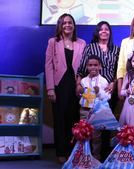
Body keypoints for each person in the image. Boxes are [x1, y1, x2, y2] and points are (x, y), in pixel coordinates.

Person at [45, 13, 86, 163]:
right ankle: (61, 152)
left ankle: (72, 152)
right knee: (59, 119)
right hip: (59, 85)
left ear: (74, 25)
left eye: (70, 22)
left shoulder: (82, 43)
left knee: (73, 119)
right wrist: (50, 88)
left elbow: (83, 67)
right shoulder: (53, 42)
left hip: (75, 85)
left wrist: (80, 84)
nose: (67, 25)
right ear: (60, 26)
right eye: (64, 23)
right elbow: (48, 66)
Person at [76, 21, 119, 161]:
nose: (104, 31)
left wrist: (113, 83)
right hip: (89, 95)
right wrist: (78, 84)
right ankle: (87, 155)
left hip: (107, 89)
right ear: (97, 32)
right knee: (90, 128)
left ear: (110, 32)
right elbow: (82, 68)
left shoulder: (115, 49)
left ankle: (102, 155)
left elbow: (119, 70)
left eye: (107, 29)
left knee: (104, 124)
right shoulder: (90, 47)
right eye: (101, 29)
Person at [79, 55, 111, 160]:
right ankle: (84, 155)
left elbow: (107, 97)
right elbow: (81, 96)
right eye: (90, 65)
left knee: (96, 136)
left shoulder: (103, 81)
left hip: (98, 110)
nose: (93, 67)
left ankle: (96, 157)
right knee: (84, 133)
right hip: (85, 110)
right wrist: (81, 93)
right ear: (87, 67)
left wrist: (99, 92)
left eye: (95, 65)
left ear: (100, 66)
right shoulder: (83, 81)